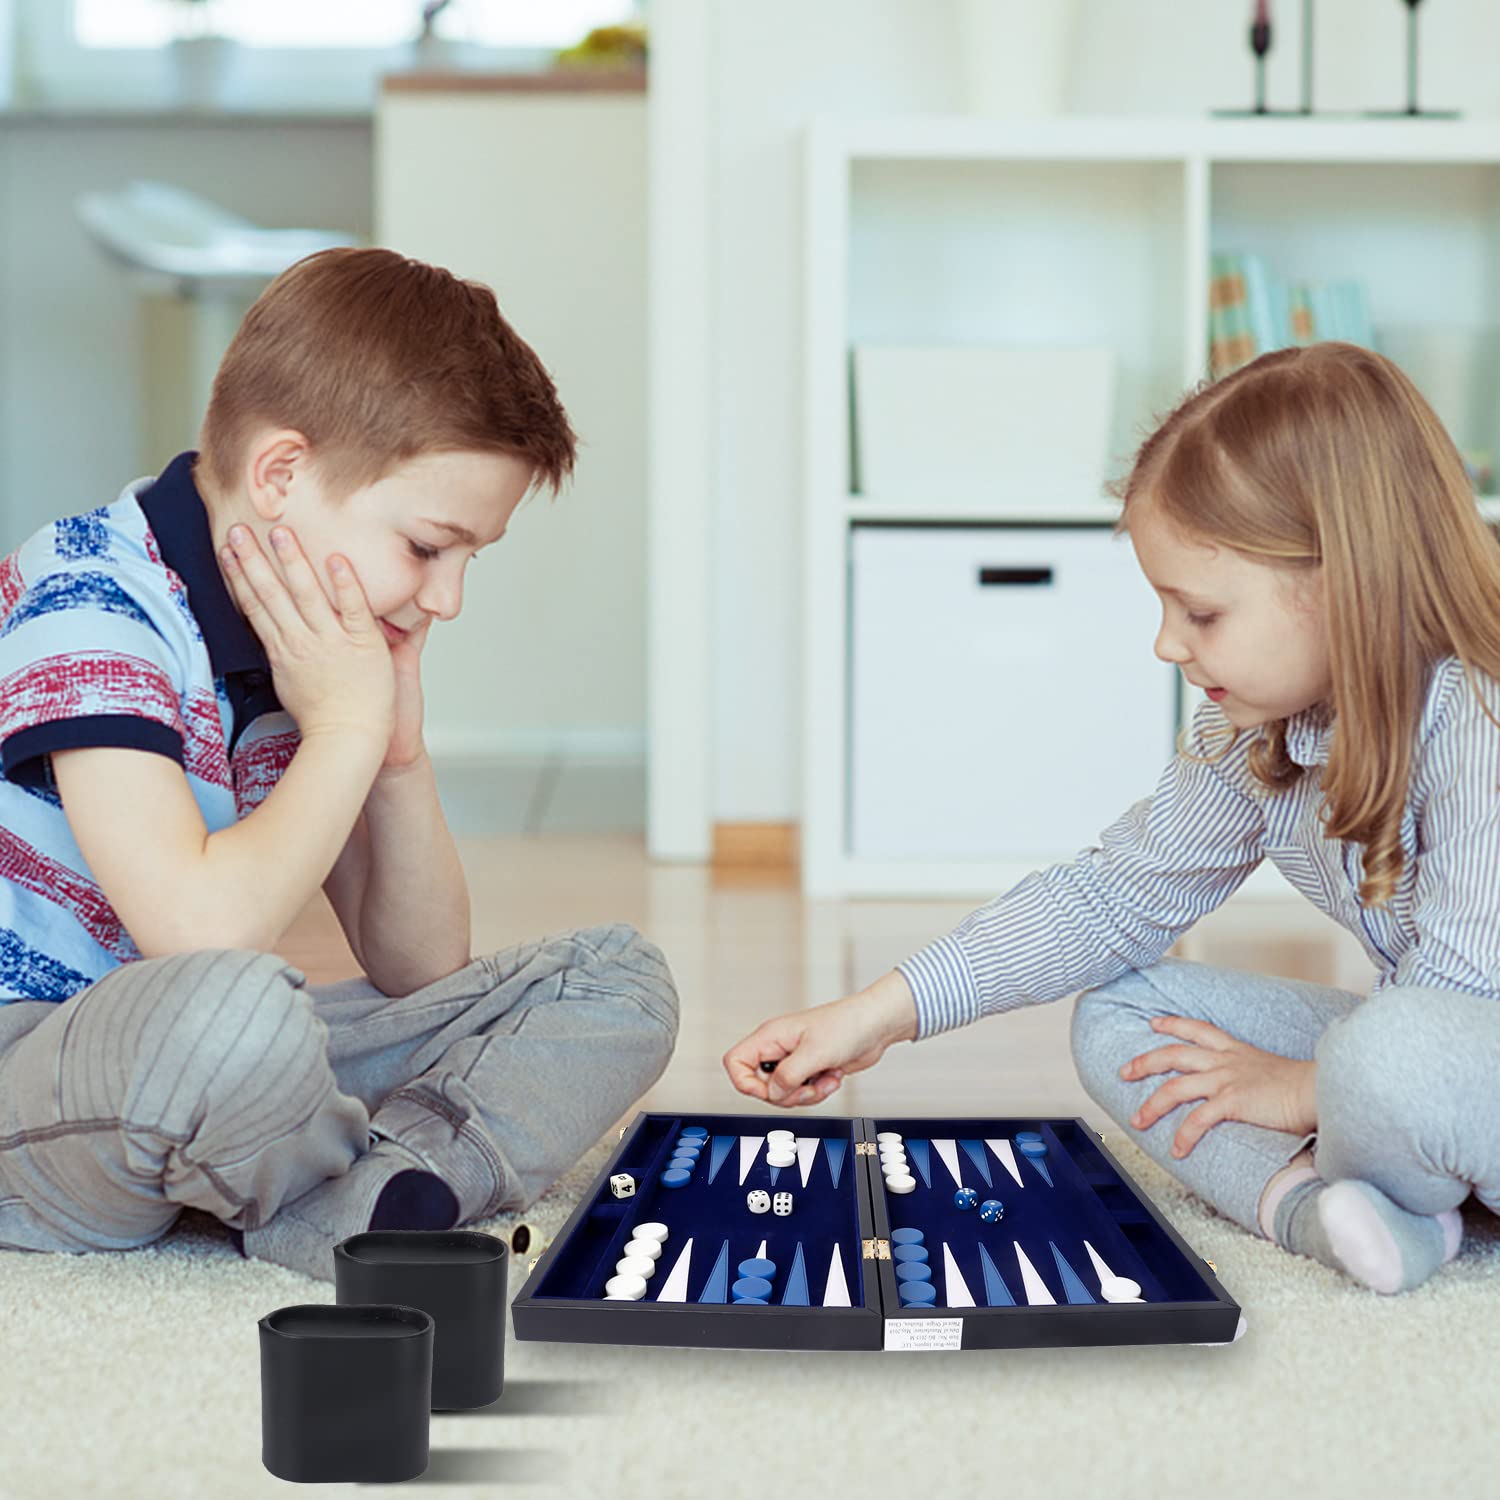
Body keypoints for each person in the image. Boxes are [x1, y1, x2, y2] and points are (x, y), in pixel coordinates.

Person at [725, 340, 1500, 1295]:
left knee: (1392, 1054)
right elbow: (1108, 900)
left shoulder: (1480, 712)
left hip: (1455, 1047)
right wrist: (879, 1015)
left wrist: (1295, 1086)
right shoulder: (1253, 730)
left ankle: (1395, 1165)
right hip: (1425, 1079)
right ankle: (1334, 1213)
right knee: (1125, 1014)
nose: (1167, 644)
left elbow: (1459, 999)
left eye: (1202, 613)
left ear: (1345, 581)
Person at [0, 247, 678, 1281]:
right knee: (239, 1018)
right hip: (37, 1063)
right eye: (427, 546)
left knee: (618, 982)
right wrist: (348, 732)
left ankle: (365, 1188)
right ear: (281, 475)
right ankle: (353, 1186)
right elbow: (200, 934)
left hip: (201, 1054)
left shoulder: (315, 648)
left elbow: (421, 973)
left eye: (467, 562)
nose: (446, 599)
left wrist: (397, 759)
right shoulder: (89, 597)